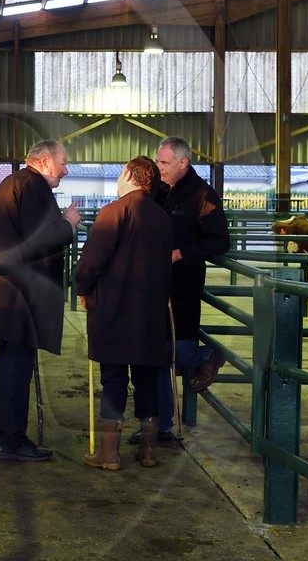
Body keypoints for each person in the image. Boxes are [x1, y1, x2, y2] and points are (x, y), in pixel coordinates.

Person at [0, 140, 81, 463]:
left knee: (6, 367)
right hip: (16, 294)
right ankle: (12, 440)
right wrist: (68, 223)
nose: (65, 169)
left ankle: (1, 434)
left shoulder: (12, 183)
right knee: (16, 369)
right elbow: (39, 241)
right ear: (44, 161)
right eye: (62, 162)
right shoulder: (33, 188)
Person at [75, 156, 172, 469]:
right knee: (147, 380)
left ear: (131, 175)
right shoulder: (162, 217)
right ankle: (148, 451)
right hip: (150, 313)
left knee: (113, 380)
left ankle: (109, 454)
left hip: (114, 310)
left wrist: (82, 288)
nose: (118, 179)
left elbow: (91, 261)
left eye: (120, 173)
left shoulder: (114, 212)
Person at [155, 137, 231, 402]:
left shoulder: (202, 194)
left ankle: (208, 356)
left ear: (183, 162)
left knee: (170, 345)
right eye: (158, 162)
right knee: (157, 349)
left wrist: (182, 253)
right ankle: (161, 422)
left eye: (164, 162)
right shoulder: (160, 189)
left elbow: (220, 241)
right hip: (157, 282)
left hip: (183, 285)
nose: (159, 167)